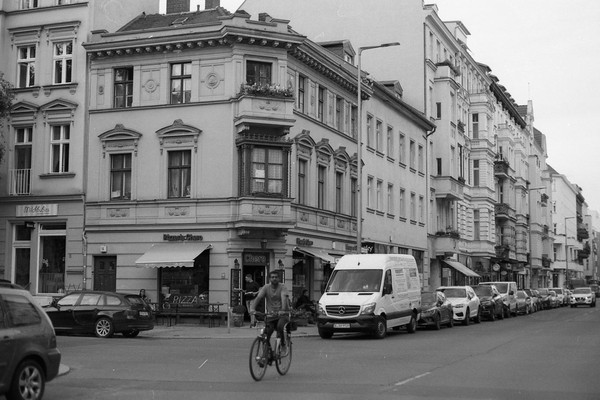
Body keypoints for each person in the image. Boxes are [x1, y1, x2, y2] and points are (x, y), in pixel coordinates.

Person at [251, 272, 291, 349]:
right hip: (271, 315)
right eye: (272, 277)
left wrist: (282, 310)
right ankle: (268, 349)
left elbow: (284, 298)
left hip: (282, 315)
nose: (274, 278)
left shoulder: (282, 287)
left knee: (280, 327)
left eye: (276, 277)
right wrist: (252, 308)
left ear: (279, 278)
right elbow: (259, 297)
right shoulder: (266, 287)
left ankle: (283, 344)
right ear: (269, 279)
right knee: (267, 332)